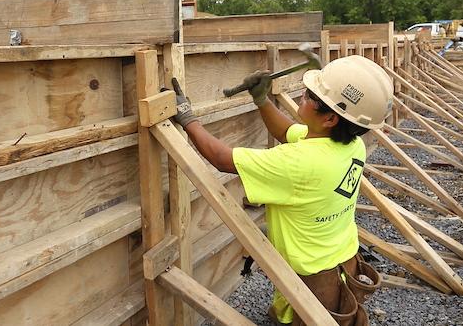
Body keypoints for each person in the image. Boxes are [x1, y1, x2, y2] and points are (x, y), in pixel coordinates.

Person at [167, 54, 393, 325]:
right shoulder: (349, 144)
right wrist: (261, 100)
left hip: (312, 282)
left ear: (331, 119)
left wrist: (188, 118)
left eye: (311, 96)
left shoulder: (300, 163)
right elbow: (287, 131)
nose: (302, 95)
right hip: (343, 261)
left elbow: (221, 159)